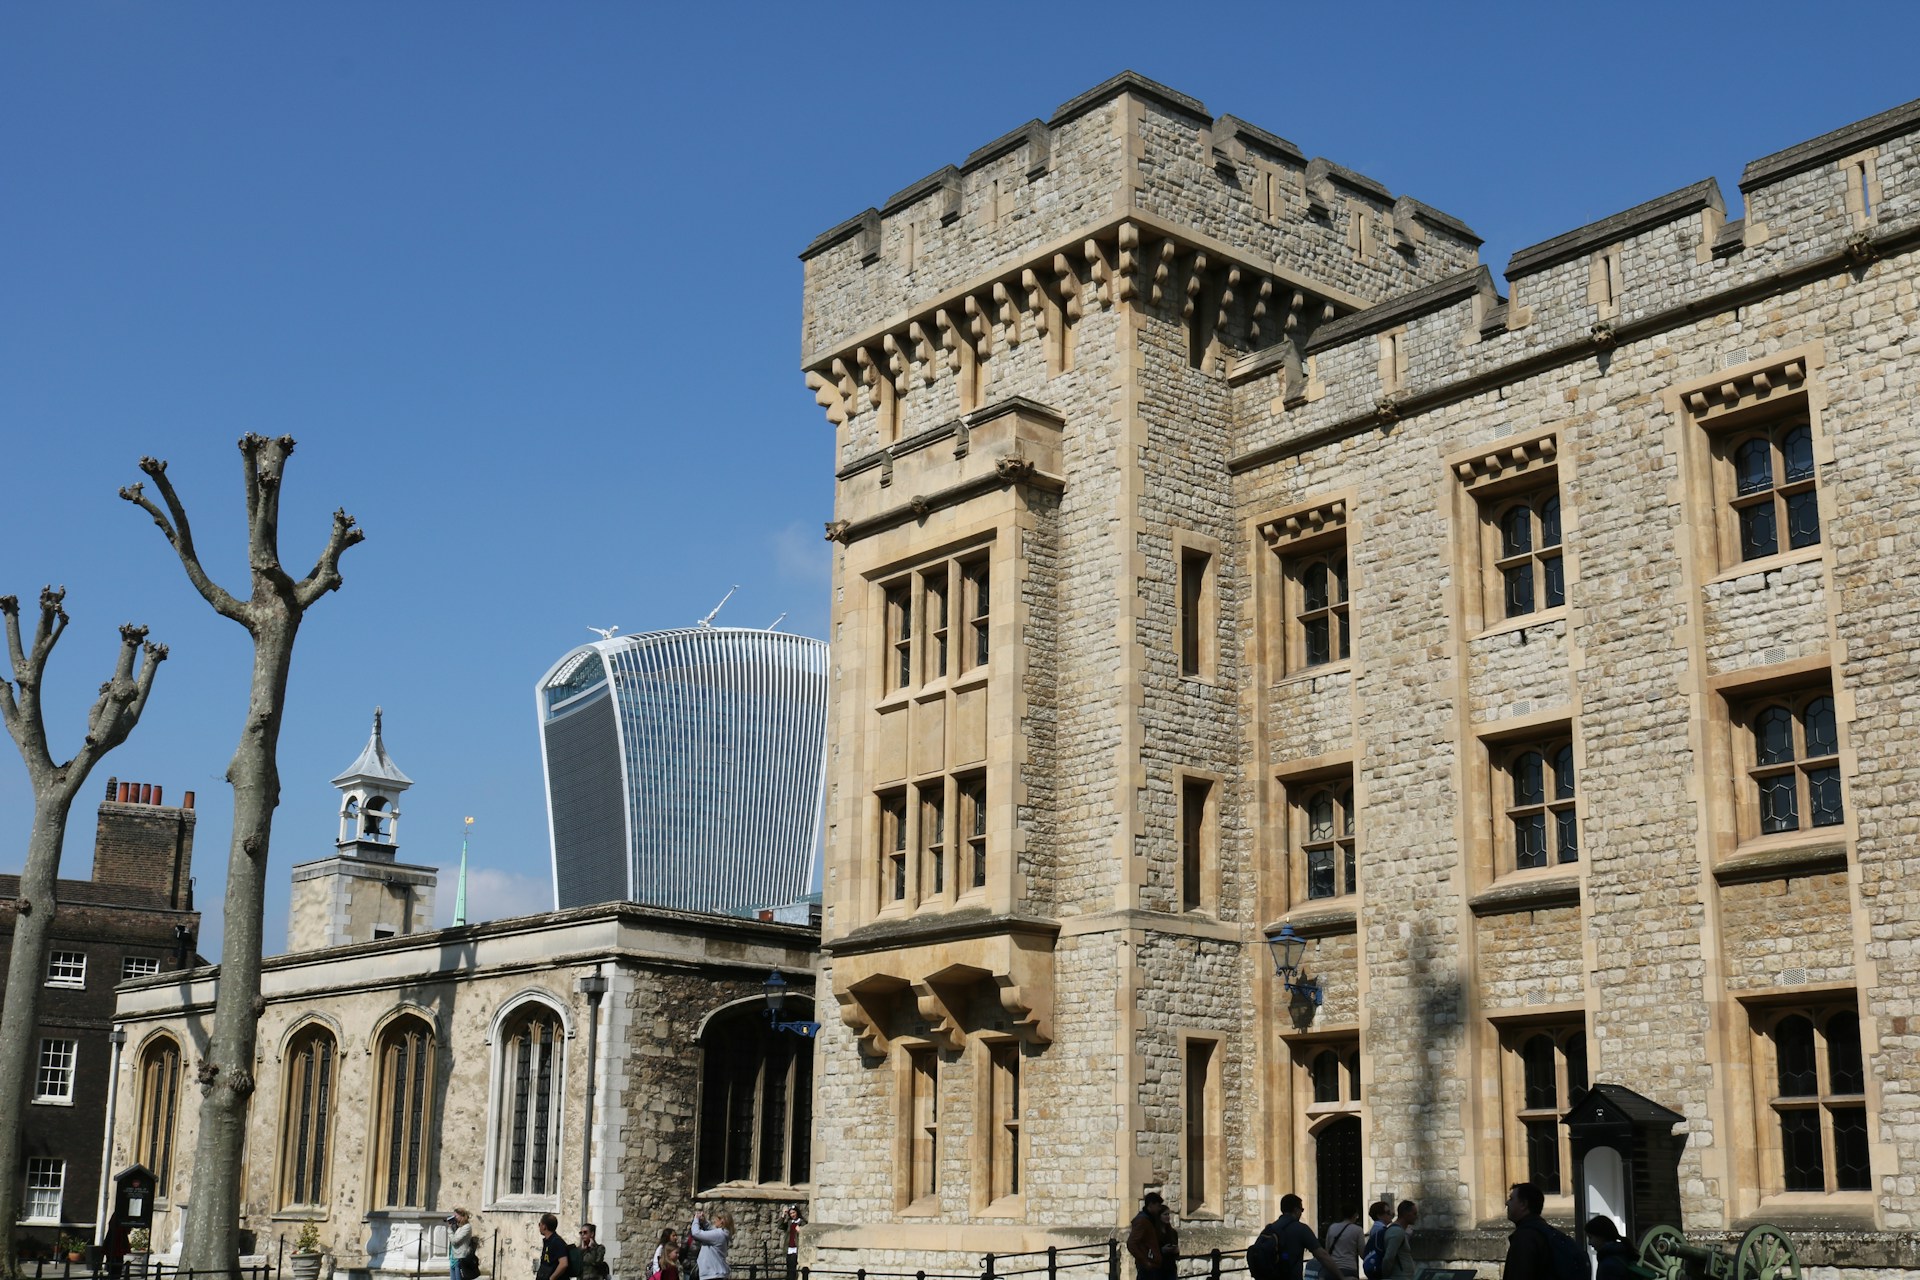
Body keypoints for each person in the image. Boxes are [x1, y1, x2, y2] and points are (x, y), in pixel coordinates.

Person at [1504, 1183, 1574, 1280]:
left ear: (1523, 1204)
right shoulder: (1543, 1231)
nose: (1506, 1203)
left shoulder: (1525, 1237)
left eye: (1511, 1199)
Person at [1267, 1193, 1343, 1280]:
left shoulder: (1270, 1228)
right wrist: (1341, 1277)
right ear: (1296, 1210)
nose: (1301, 1213)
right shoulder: (1301, 1229)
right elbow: (1322, 1255)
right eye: (1301, 1210)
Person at [1127, 1192, 1177, 1280]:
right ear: (1151, 1205)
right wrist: (1145, 1262)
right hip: (1148, 1267)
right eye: (1158, 1206)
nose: (1159, 1208)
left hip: (1154, 1265)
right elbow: (1131, 1243)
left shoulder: (1151, 1220)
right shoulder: (1142, 1221)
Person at [1379, 1201, 1419, 1280]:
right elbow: (1389, 1257)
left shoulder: (1399, 1231)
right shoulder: (1396, 1232)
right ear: (1406, 1214)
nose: (1416, 1217)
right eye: (1414, 1214)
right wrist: (1386, 1275)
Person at [1322, 1206, 1365, 1280]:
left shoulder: (1332, 1227)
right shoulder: (1358, 1230)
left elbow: (1327, 1249)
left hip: (1332, 1268)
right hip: (1349, 1268)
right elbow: (1362, 1253)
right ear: (1355, 1215)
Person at [689, 1210, 732, 1280]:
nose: (714, 1221)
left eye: (716, 1219)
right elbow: (711, 1230)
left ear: (722, 1221)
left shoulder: (719, 1234)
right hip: (716, 1274)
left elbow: (696, 1233)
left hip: (712, 1274)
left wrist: (696, 1219)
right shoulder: (723, 1233)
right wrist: (704, 1221)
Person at [536, 1214, 571, 1280]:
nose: (539, 1227)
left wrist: (552, 1278)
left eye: (539, 1224)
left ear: (544, 1226)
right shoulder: (549, 1241)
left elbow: (563, 1263)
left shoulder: (557, 1242)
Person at [448, 1209, 475, 1280]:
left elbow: (454, 1241)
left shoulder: (467, 1227)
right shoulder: (459, 1228)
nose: (455, 1217)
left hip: (460, 1257)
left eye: (456, 1215)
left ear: (462, 1216)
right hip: (453, 1257)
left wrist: (449, 1230)